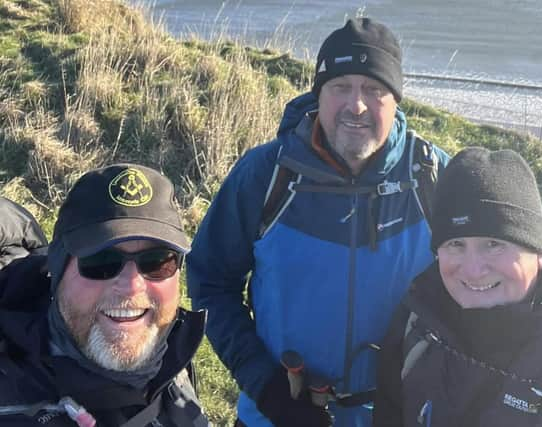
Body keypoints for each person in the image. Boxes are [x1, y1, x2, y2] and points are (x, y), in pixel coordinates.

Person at [187, 17, 450, 427]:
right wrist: (267, 387)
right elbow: (210, 282)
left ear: (397, 100)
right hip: (276, 414)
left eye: (374, 89)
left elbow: (496, 270)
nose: (356, 105)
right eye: (340, 86)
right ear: (318, 95)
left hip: (402, 415)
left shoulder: (432, 177)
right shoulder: (267, 175)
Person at [373, 147, 542, 427]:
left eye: (493, 244)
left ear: (538, 251)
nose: (473, 270)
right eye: (456, 244)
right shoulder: (417, 326)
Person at [0, 164, 211, 427]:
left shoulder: (172, 351)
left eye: (157, 262)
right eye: (102, 261)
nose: (132, 286)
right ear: (55, 270)